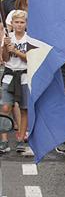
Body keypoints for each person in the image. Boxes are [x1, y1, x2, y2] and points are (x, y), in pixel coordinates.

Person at [1, 10, 33, 155]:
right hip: (9, 74)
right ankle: (4, 140)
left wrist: (17, 51)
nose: (19, 25)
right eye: (16, 22)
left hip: (24, 75)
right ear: (12, 24)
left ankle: (21, 138)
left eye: (22, 22)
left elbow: (30, 58)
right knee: (5, 107)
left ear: (26, 24)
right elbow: (5, 58)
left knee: (24, 108)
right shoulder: (8, 37)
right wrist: (5, 47)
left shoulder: (29, 39)